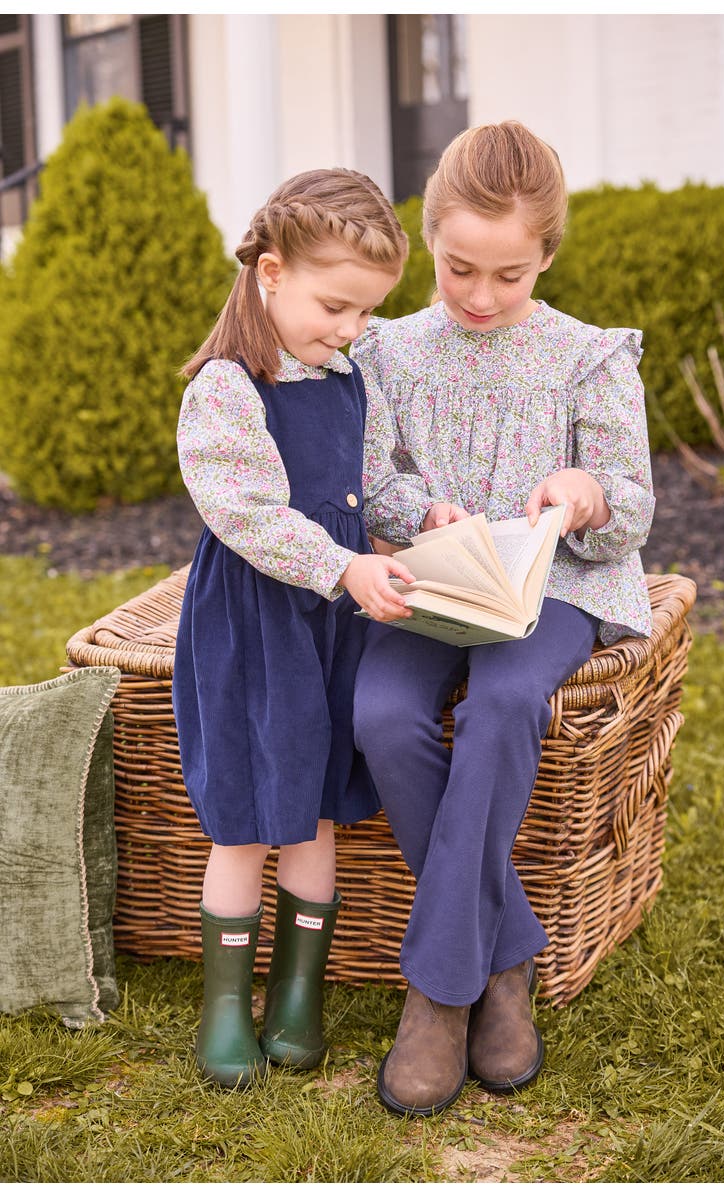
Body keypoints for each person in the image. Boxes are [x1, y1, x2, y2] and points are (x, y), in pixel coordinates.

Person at [351, 120, 656, 1117]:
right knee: (384, 715)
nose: (482, 296)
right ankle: (506, 953)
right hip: (436, 586)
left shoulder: (588, 356)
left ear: (548, 257)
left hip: (552, 587)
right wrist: (414, 513)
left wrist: (583, 490)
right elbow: (375, 483)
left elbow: (632, 501)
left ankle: (439, 990)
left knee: (504, 702)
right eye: (458, 269)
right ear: (428, 239)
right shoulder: (388, 351)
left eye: (510, 275)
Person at [172, 167, 464, 1089]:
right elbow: (249, 514)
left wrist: (422, 517)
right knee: (250, 815)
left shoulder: (346, 378)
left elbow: (371, 487)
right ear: (270, 270)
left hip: (330, 628)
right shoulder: (226, 389)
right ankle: (228, 1005)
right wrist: (342, 566)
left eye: (366, 315)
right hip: (256, 627)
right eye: (335, 305)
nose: (349, 329)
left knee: (318, 809)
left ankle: (298, 997)